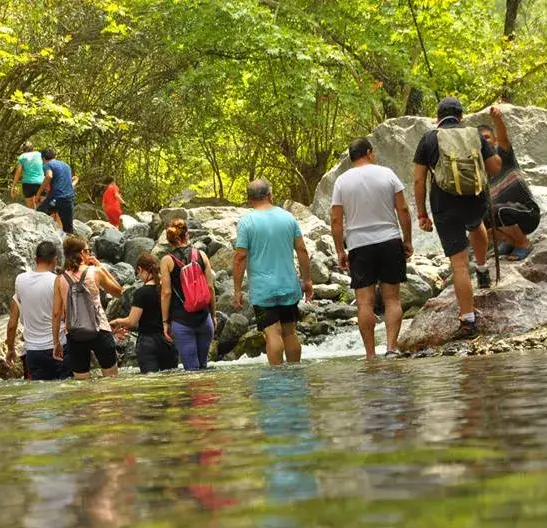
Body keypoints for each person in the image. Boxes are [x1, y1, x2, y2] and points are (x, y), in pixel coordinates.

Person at [413, 97, 502, 338]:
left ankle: (468, 320)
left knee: (460, 264)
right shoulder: (473, 134)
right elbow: (495, 167)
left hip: (444, 204)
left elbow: (419, 180)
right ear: (461, 117)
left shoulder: (429, 138)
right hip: (475, 198)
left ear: (437, 117)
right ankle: (483, 269)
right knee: (476, 225)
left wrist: (422, 213)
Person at [331, 138, 413, 360]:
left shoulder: (341, 182)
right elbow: (403, 209)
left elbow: (337, 221)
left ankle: (370, 355)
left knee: (364, 302)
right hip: (389, 240)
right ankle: (391, 348)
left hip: (359, 244)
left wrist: (340, 250)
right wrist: (407, 240)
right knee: (392, 299)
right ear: (369, 152)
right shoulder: (387, 174)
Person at [233, 179, 314, 366]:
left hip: (263, 289)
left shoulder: (246, 222)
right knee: (289, 332)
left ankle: (277, 376)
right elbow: (302, 250)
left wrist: (237, 289)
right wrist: (307, 280)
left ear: (249, 199)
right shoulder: (288, 218)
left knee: (272, 333)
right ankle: (295, 372)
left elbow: (240, 257)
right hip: (288, 284)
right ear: (270, 195)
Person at [52, 236, 122, 380]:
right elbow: (118, 291)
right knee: (112, 381)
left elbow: (56, 313)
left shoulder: (60, 279)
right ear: (83, 252)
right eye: (88, 250)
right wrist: (101, 267)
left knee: (82, 385)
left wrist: (56, 342)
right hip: (100, 329)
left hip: (74, 334)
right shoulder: (95, 272)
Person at [479, 106, 541, 261]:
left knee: (496, 211)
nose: (484, 143)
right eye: (480, 140)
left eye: (486, 138)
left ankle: (523, 244)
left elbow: (503, 139)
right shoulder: (481, 172)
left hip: (528, 214)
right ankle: (510, 241)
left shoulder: (503, 157)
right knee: (479, 216)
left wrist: (497, 119)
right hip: (506, 216)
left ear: (494, 140)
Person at [5, 241, 72, 381]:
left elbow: (12, 324)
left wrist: (11, 349)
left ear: (35, 259)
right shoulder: (57, 281)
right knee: (65, 394)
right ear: (55, 260)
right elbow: (63, 315)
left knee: (39, 396)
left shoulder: (20, 280)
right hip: (58, 347)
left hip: (33, 351)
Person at [160, 218, 217, 371]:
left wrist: (165, 322)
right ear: (188, 234)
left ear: (168, 239)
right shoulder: (201, 255)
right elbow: (210, 288)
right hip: (204, 318)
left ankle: (194, 396)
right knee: (203, 368)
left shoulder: (167, 261)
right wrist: (213, 315)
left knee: (192, 371)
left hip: (182, 321)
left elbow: (166, 293)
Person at [109, 252, 179, 373]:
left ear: (140, 269)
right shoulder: (167, 290)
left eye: (138, 273)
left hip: (148, 342)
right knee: (170, 381)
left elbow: (132, 322)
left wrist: (117, 321)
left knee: (150, 384)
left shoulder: (141, 293)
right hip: (168, 340)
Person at [37, 148, 78, 234]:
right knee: (68, 229)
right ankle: (71, 245)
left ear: (43, 158)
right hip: (68, 198)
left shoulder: (47, 165)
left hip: (56, 198)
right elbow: (65, 181)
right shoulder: (66, 165)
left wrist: (38, 194)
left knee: (37, 216)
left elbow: (49, 176)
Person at [9, 143, 45, 208]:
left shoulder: (22, 157)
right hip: (41, 183)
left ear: (24, 150)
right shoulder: (40, 154)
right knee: (41, 208)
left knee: (31, 209)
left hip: (28, 184)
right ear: (33, 148)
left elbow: (18, 172)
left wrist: (13, 186)